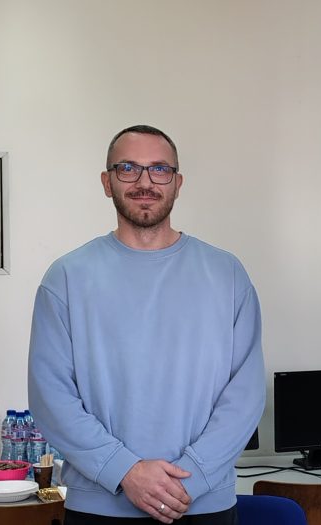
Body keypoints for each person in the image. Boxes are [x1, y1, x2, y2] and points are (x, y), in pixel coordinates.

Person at [28, 125, 266, 525]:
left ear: (177, 183)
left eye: (159, 169)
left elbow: (246, 394)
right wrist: (124, 471)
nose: (144, 182)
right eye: (128, 168)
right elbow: (51, 396)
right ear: (107, 182)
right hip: (100, 506)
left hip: (202, 504)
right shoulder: (66, 278)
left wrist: (192, 478)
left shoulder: (226, 274)